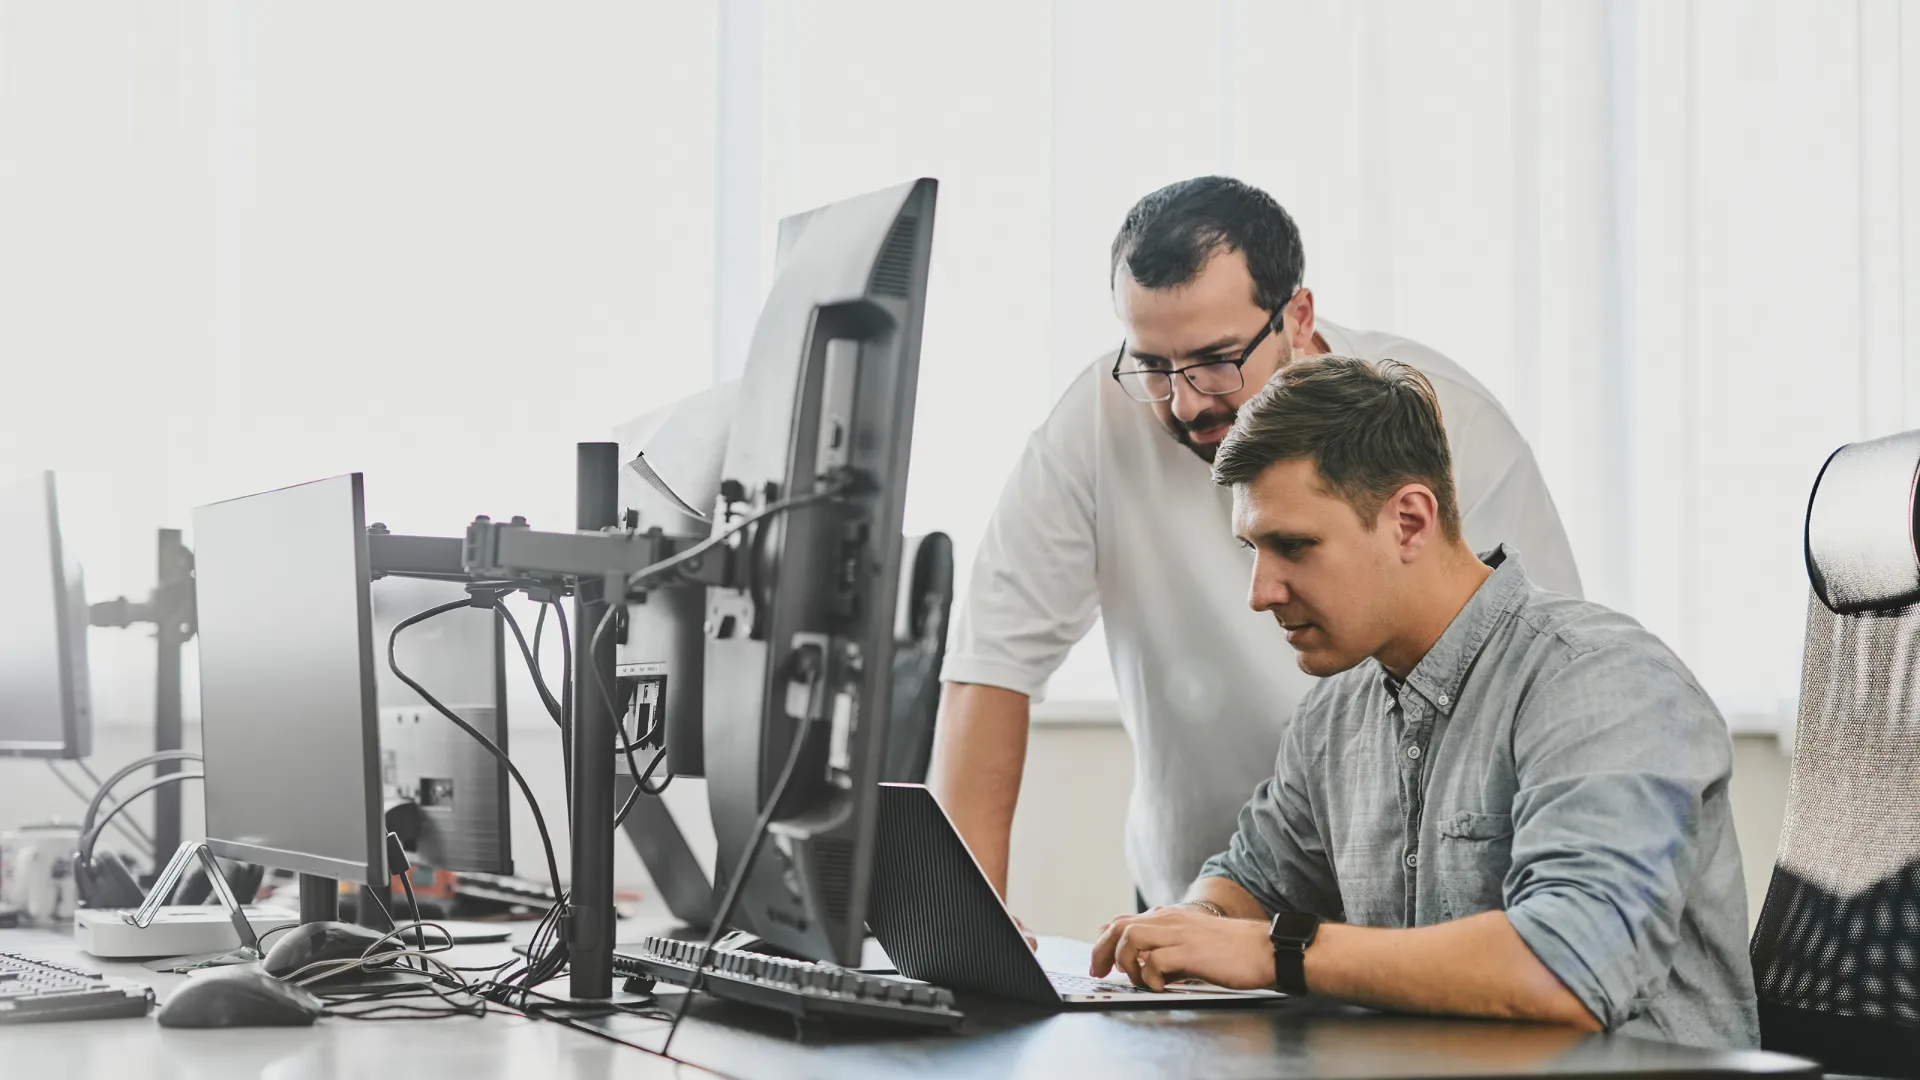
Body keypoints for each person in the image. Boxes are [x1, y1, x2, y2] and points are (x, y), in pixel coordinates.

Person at [931, 176, 1583, 914]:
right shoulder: (1099, 418)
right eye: (1151, 364)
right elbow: (991, 662)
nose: (1184, 402)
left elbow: (1541, 675)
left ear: (1297, 317)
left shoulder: (1444, 423)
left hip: (1411, 915)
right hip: (1206, 897)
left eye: (1215, 360)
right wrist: (961, 935)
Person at [1088, 356, 1757, 1048]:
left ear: (1409, 521)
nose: (1259, 591)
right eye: (1253, 548)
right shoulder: (1333, 716)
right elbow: (1251, 881)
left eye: (1292, 545)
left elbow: (1570, 966)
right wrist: (1191, 929)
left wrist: (1273, 951)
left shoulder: (1601, 682)